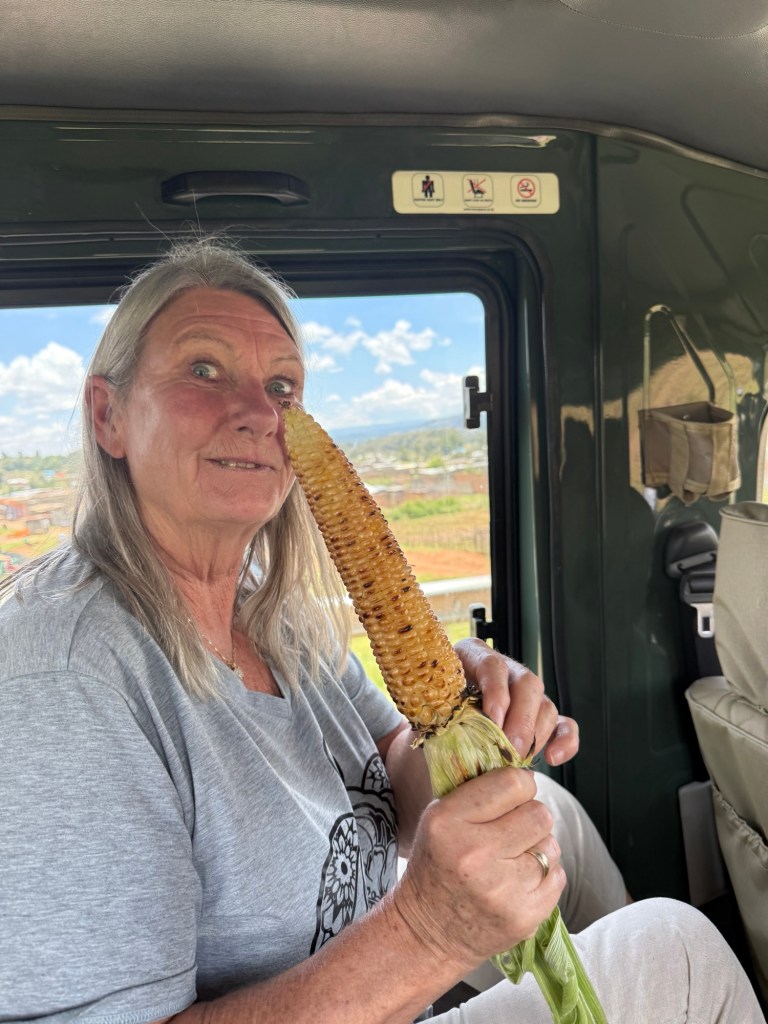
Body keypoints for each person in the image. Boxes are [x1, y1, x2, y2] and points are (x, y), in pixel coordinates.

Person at [0, 239, 762, 1024]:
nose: (262, 414)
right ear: (108, 415)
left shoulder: (266, 605)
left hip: (367, 968)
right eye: (204, 369)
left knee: (546, 810)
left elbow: (389, 775)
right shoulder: (62, 678)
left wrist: (459, 721)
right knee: (677, 952)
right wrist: (427, 931)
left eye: (282, 386)